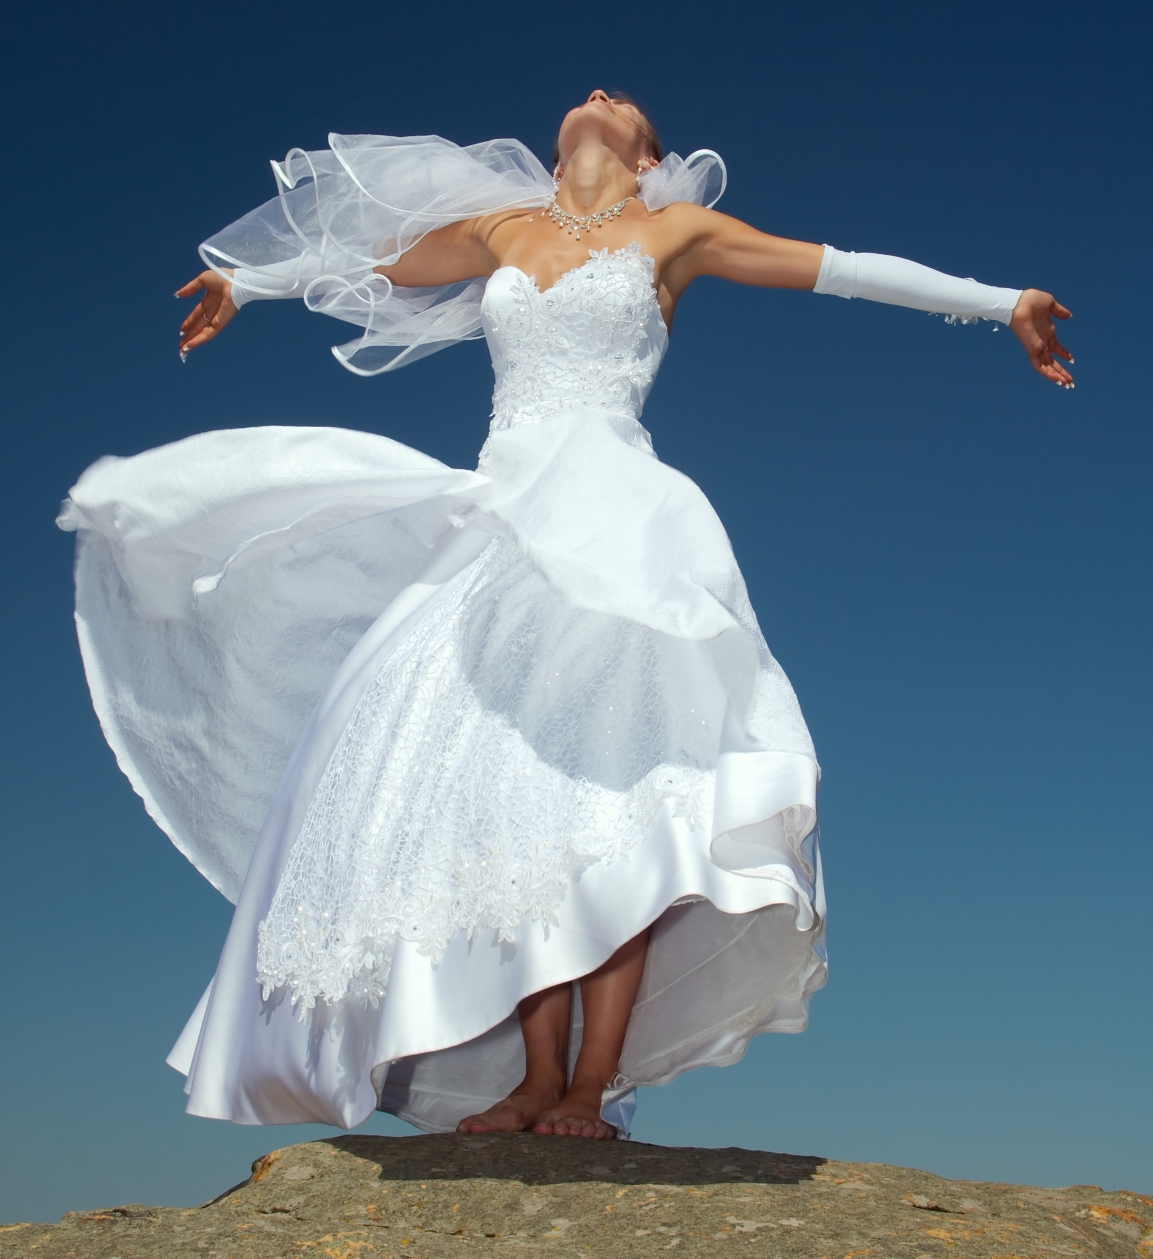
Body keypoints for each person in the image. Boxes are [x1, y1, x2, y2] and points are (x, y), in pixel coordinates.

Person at [59, 90, 1073, 1143]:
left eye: (619, 99)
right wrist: (245, 278)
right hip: (503, 526)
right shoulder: (504, 231)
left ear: (649, 153)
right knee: (513, 798)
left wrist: (1003, 303)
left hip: (620, 530)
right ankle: (535, 1081)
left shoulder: (676, 232)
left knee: (614, 789)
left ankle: (591, 1081)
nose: (594, 95)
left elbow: (841, 267)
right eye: (582, 95)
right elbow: (369, 266)